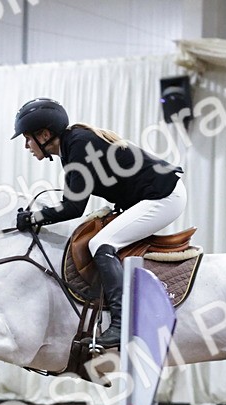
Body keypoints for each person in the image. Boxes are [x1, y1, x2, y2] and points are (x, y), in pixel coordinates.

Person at [12, 98, 186, 349]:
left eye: (27, 138)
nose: (27, 145)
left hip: (164, 196)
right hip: (154, 194)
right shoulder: (74, 143)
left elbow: (73, 207)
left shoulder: (78, 145)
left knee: (101, 243)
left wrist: (33, 218)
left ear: (44, 134)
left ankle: (122, 322)